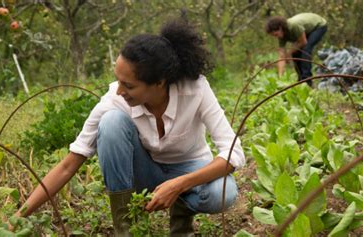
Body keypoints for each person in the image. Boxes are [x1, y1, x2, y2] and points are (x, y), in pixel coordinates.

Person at [12, 18, 245, 236]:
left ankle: (181, 215)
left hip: (188, 168)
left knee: (221, 194)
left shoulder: (195, 89)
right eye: (118, 80)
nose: (119, 91)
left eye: (129, 85)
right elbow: (67, 165)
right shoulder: (115, 100)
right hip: (144, 172)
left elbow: (233, 151)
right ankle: (127, 230)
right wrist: (18, 217)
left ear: (159, 82)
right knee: (111, 122)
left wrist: (179, 184)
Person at [265, 13, 327, 86]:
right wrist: (280, 76)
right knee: (295, 53)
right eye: (274, 36)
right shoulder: (281, 37)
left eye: (276, 34)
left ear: (280, 28)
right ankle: (300, 79)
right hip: (305, 30)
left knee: (305, 50)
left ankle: (307, 80)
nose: (276, 37)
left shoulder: (293, 26)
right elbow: (281, 57)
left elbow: (303, 42)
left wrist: (288, 53)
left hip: (319, 26)